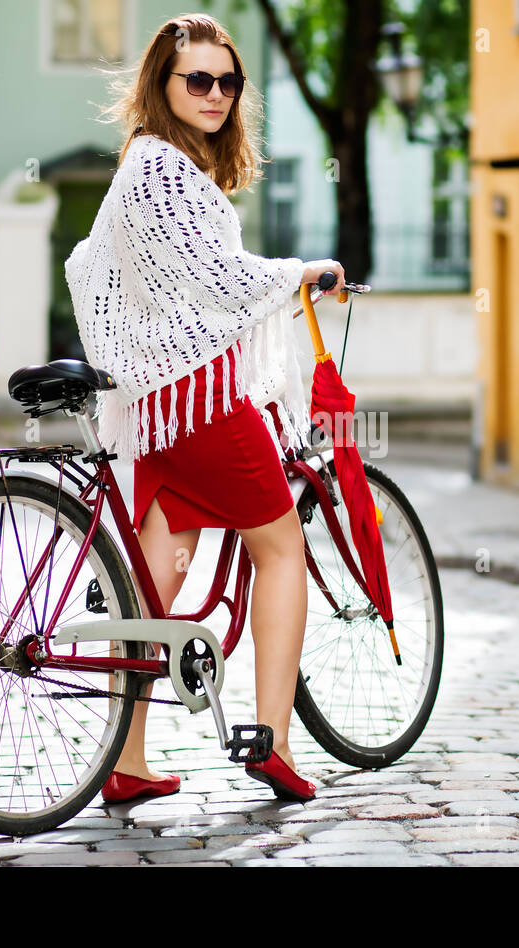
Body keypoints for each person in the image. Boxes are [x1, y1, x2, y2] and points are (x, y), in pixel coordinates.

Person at [64, 13, 344, 803]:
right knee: (281, 549)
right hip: (203, 401)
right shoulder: (161, 167)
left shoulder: (149, 166)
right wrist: (303, 271)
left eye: (228, 81)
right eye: (198, 79)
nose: (216, 93)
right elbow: (219, 279)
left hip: (161, 407)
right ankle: (275, 739)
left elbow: (128, 269)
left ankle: (128, 758)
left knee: (154, 588)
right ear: (162, 84)